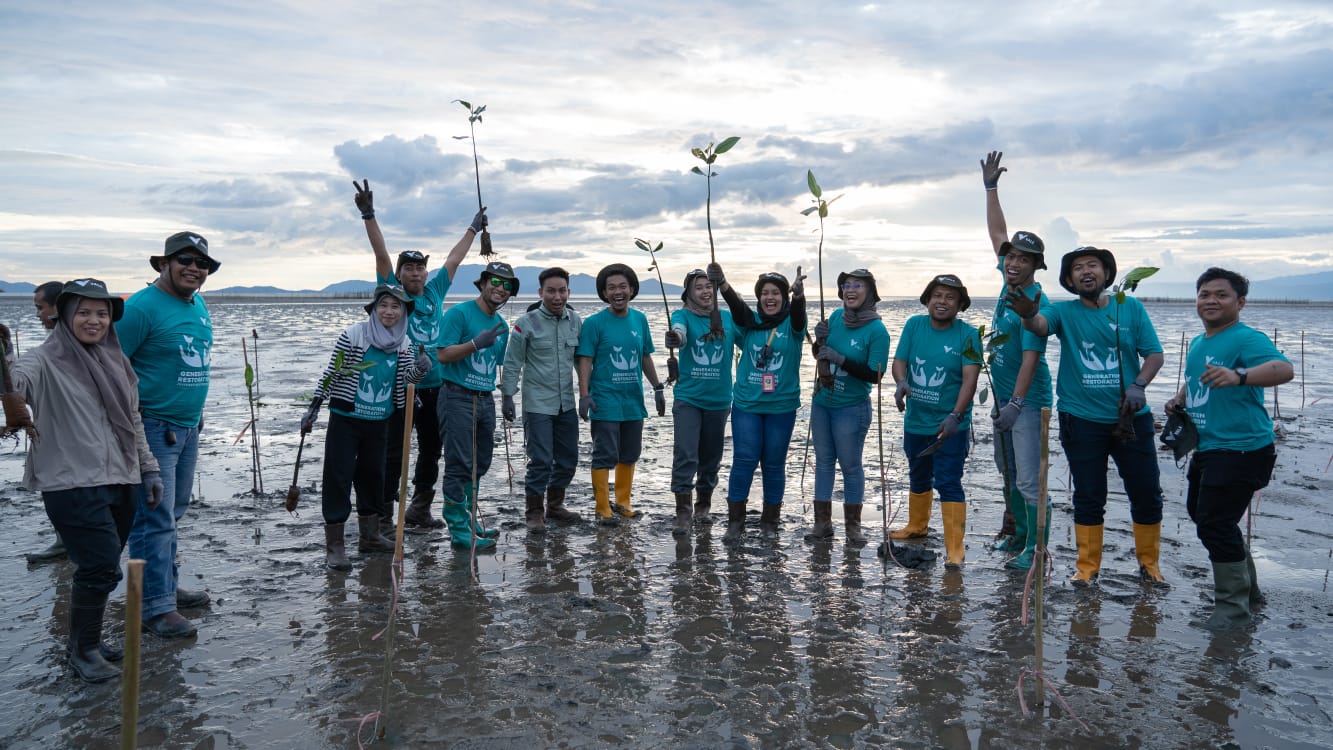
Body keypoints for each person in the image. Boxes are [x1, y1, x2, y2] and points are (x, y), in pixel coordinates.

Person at [5, 279, 163, 682]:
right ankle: (83, 651)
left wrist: (149, 468)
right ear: (65, 315)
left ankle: (86, 639)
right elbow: (16, 388)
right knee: (97, 567)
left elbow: (134, 420)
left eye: (102, 313)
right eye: (84, 312)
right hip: (72, 483)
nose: (94, 321)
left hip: (122, 478)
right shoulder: (43, 361)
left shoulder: (118, 362)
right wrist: (4, 363)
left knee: (107, 564)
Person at [1007, 246, 1167, 587]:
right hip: (1080, 420)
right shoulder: (1065, 312)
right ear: (1068, 280)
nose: (1085, 272)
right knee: (1089, 494)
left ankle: (1149, 564)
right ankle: (1087, 568)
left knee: (1146, 492)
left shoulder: (1130, 309)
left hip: (1130, 418)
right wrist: (1026, 313)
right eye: (1077, 268)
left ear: (1107, 273)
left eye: (1092, 265)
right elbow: (1038, 325)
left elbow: (1153, 354)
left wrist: (1139, 385)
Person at [353, 180, 486, 529]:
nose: (415, 273)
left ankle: (419, 508)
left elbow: (454, 259)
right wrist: (369, 214)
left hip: (437, 386)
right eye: (409, 268)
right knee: (393, 450)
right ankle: (383, 513)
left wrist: (474, 228)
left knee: (432, 449)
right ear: (399, 275)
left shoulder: (435, 291)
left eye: (419, 268)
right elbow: (381, 254)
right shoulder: (394, 292)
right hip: (400, 386)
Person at [1166, 268, 1292, 628]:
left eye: (1221, 295)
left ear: (1240, 302)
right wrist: (1180, 399)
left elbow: (1284, 369)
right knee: (1203, 515)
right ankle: (1248, 592)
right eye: (1204, 294)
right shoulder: (1199, 342)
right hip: (1209, 447)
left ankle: (1233, 612)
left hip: (1243, 449)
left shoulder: (1245, 339)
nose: (1211, 300)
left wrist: (1240, 376)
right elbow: (1198, 383)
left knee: (1215, 524)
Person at [119, 231, 219, 638]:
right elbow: (113, 367)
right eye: (184, 260)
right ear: (163, 264)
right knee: (153, 516)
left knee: (173, 511)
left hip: (186, 426)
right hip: (152, 427)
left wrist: (195, 414)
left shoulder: (196, 303)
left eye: (201, 264)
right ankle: (152, 608)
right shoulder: (140, 308)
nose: (193, 268)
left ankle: (164, 588)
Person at [302, 285, 431, 570]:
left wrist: (423, 367)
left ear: (403, 313)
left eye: (396, 307)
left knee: (374, 476)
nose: (389, 312)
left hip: (380, 419)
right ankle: (335, 545)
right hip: (346, 417)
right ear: (374, 309)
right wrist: (314, 406)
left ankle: (369, 536)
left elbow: (407, 380)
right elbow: (332, 372)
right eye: (383, 305)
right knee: (338, 476)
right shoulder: (354, 335)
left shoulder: (405, 343)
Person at [980, 150, 1055, 571]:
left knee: (1029, 478)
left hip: (1028, 402)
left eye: (1022, 259)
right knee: (1008, 473)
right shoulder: (1007, 282)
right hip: (1005, 399)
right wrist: (991, 189)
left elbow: (1031, 357)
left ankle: (1037, 550)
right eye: (1010, 258)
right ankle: (1020, 537)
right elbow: (997, 234)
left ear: (1035, 266)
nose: (1012, 262)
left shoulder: (1034, 301)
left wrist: (1016, 404)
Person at [889, 275, 982, 568]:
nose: (942, 302)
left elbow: (970, 379)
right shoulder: (914, 325)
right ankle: (917, 526)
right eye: (937, 295)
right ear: (928, 299)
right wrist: (901, 382)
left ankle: (955, 549)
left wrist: (956, 415)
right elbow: (899, 361)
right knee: (918, 475)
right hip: (916, 420)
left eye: (950, 297)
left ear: (960, 304)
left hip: (950, 425)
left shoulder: (968, 334)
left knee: (949, 481)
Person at [718, 266, 807, 542]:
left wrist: (800, 297)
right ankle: (736, 522)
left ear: (784, 297)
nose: (770, 298)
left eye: (776, 293)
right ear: (758, 298)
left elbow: (798, 314)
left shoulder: (793, 326)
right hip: (747, 404)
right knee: (744, 459)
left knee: (773, 463)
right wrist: (722, 283)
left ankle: (770, 522)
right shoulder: (750, 323)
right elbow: (737, 308)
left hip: (782, 407)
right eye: (765, 293)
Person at [576, 264, 666, 525]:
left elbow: (645, 356)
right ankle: (602, 507)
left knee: (630, 453)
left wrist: (657, 386)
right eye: (611, 287)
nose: (618, 292)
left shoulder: (639, 319)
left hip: (632, 402)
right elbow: (585, 360)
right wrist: (584, 394)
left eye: (623, 286)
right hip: (605, 400)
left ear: (632, 289)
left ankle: (623, 502)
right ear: (604, 293)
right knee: (604, 454)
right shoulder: (594, 323)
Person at [435, 262, 516, 550]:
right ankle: (458, 530)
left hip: (485, 399)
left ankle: (469, 520)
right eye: (495, 282)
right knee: (459, 464)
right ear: (482, 284)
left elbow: (498, 367)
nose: (500, 289)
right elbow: (443, 355)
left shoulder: (502, 326)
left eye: (507, 286)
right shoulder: (459, 314)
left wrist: (507, 397)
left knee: (480, 462)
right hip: (456, 396)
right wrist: (474, 343)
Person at [807, 268, 890, 544]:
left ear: (870, 293)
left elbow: (875, 375)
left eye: (858, 285)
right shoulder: (835, 318)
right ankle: (822, 524)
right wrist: (817, 341)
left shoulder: (877, 330)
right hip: (822, 404)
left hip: (852, 408)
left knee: (851, 466)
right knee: (823, 463)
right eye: (846, 285)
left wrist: (840, 358)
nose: (850, 290)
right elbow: (822, 356)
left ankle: (853, 528)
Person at [501, 267, 583, 533]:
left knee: (569, 459)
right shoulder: (527, 323)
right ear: (541, 293)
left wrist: (587, 394)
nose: (557, 296)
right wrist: (508, 397)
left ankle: (555, 506)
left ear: (569, 292)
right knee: (541, 460)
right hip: (537, 405)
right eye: (551, 291)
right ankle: (534, 513)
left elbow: (583, 361)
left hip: (566, 404)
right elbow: (512, 363)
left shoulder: (576, 321)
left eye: (562, 291)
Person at [665, 264, 735, 538]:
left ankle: (703, 504)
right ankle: (683, 511)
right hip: (689, 398)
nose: (705, 291)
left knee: (711, 456)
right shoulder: (683, 315)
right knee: (685, 453)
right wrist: (676, 338)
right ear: (689, 293)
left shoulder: (726, 318)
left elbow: (753, 336)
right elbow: (679, 332)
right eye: (699, 287)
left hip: (719, 399)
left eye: (709, 286)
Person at [24, 280, 69, 563]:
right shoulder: (52, 345)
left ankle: (67, 544)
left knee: (62, 486)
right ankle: (64, 541)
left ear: (56, 308)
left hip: (67, 432)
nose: (38, 315)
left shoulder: (62, 345)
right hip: (56, 428)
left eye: (40, 308)